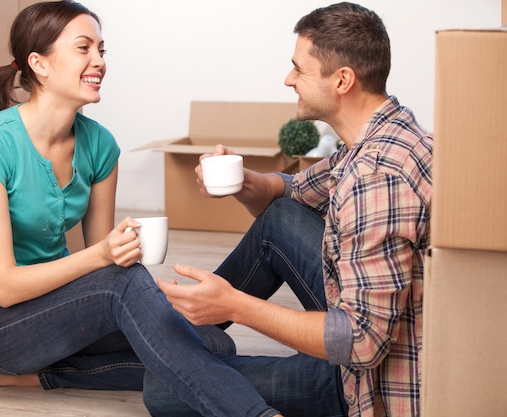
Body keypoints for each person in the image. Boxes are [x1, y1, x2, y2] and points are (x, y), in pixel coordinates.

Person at [0, 2, 284, 416]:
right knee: (146, 309)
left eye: (102, 51)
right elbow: (6, 287)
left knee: (214, 341)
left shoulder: (100, 145)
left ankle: (50, 375)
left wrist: (142, 282)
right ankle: (254, 413)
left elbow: (107, 263)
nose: (98, 62)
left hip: (55, 307)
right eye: (83, 48)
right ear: (40, 64)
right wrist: (109, 261)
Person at [145, 2, 431, 417]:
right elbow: (297, 189)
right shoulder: (388, 132)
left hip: (367, 382)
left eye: (299, 69)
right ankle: (175, 336)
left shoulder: (374, 179)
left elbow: (363, 341)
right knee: (280, 215)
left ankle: (170, 340)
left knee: (163, 389)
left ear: (342, 81)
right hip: (380, 325)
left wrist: (235, 307)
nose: (288, 79)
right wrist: (244, 181)